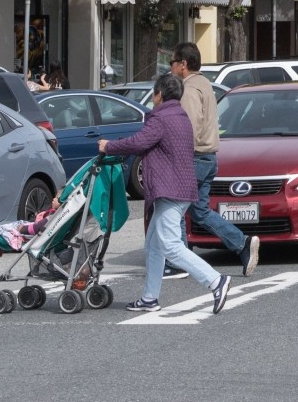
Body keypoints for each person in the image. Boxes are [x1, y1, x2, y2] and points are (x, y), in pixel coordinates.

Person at [99, 74, 232, 313]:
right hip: (179, 188)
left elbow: (139, 142)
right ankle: (149, 298)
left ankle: (215, 281)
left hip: (170, 190)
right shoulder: (181, 116)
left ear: (159, 94)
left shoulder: (160, 117)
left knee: (171, 245)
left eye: (154, 92)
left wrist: (109, 146)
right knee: (154, 246)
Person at [169, 42, 259, 277]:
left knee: (175, 208)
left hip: (194, 157)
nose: (170, 68)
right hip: (209, 157)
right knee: (200, 212)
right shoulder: (205, 84)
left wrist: (176, 158)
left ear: (183, 64)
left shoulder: (188, 89)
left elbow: (187, 128)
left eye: (172, 63)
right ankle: (243, 243)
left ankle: (179, 262)